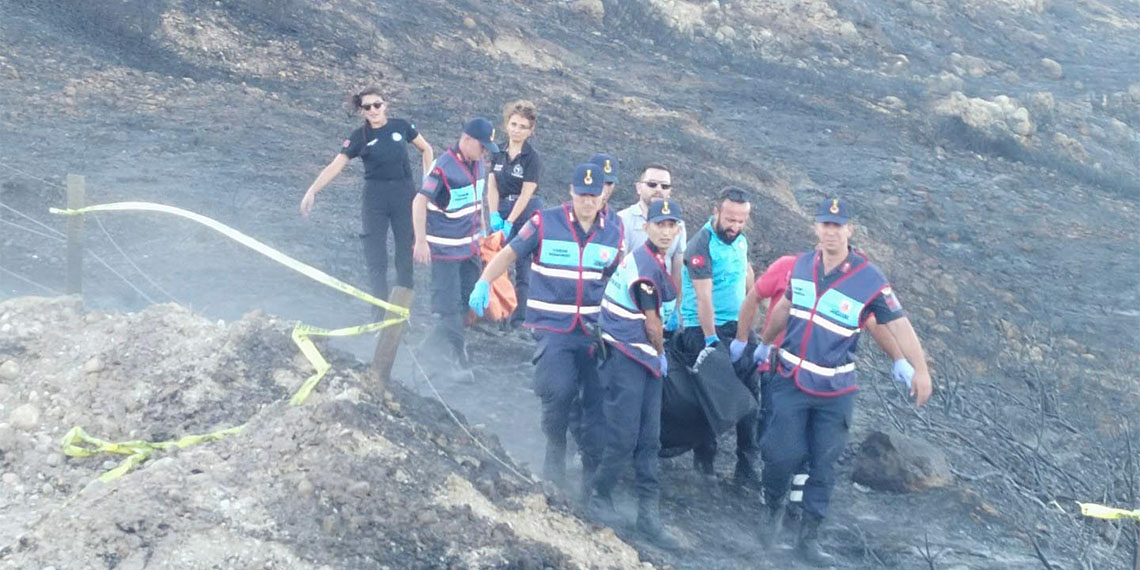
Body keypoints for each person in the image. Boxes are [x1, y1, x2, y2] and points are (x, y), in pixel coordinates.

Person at [755, 198, 933, 566]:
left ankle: (808, 539)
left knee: (823, 464)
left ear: (850, 230)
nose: (831, 231)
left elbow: (898, 324)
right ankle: (771, 514)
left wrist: (918, 367)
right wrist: (763, 342)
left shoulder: (870, 279)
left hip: (834, 391)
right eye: (825, 225)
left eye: (838, 226)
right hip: (789, 378)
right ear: (816, 228)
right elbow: (786, 308)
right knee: (780, 454)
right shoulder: (803, 265)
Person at [469, 163, 623, 489]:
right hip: (555, 328)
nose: (587, 202)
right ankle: (555, 450)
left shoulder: (615, 229)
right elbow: (509, 254)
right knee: (559, 391)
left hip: (595, 331)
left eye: (593, 195)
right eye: (581, 195)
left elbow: (619, 277)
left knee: (596, 406)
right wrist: (484, 281)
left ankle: (590, 478)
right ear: (571, 192)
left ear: (602, 195)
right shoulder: (545, 222)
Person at [733, 254, 914, 527]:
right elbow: (758, 297)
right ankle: (770, 501)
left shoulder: (856, 283)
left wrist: (900, 357)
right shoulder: (791, 267)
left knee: (816, 453)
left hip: (828, 382)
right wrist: (751, 340)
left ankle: (798, 510)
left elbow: (874, 323)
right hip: (783, 368)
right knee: (779, 444)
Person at [588, 198, 683, 550]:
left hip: (637, 357)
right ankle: (599, 494)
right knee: (626, 436)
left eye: (672, 225)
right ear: (647, 227)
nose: (666, 230)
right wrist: (661, 356)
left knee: (649, 438)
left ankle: (647, 513)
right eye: (660, 224)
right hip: (628, 356)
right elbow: (654, 325)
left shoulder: (651, 259)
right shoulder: (646, 266)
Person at [300, 86, 433, 304]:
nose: (373, 110)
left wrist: (427, 184)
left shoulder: (402, 126)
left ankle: (401, 312)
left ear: (385, 105)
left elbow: (426, 149)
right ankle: (378, 312)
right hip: (375, 197)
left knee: (404, 255)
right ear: (362, 111)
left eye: (377, 105)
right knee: (376, 257)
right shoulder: (359, 137)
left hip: (404, 193)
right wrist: (312, 190)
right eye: (367, 107)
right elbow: (336, 165)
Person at [677, 186, 758, 485]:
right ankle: (704, 463)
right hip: (703, 327)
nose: (734, 227)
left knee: (753, 394)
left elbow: (748, 277)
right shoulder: (701, 245)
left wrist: (749, 325)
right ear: (716, 211)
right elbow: (703, 299)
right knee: (713, 395)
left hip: (736, 327)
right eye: (729, 219)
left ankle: (747, 469)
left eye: (740, 221)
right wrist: (711, 342)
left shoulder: (740, 240)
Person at [411, 117, 497, 381]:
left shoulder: (478, 163)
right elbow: (419, 202)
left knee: (466, 307)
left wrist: (483, 230)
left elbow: (478, 198)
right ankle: (459, 362)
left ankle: (424, 351)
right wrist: (421, 240)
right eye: (482, 147)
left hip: (469, 248)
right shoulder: (443, 168)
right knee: (448, 309)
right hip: (445, 252)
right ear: (468, 140)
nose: (485, 153)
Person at [486, 100, 543, 328]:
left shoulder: (532, 157)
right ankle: (498, 313)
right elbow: (491, 185)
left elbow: (527, 193)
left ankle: (520, 318)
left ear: (530, 131)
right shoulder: (497, 151)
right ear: (506, 125)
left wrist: (510, 221)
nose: (517, 130)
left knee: (523, 264)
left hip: (526, 211)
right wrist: (493, 215)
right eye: (514, 124)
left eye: (522, 126)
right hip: (501, 208)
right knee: (496, 261)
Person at [616, 163, 687, 331]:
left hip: (663, 304)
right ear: (639, 188)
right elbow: (619, 267)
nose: (659, 189)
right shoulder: (622, 220)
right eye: (652, 184)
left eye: (665, 186)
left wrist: (675, 308)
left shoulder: (679, 226)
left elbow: (677, 267)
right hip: (630, 305)